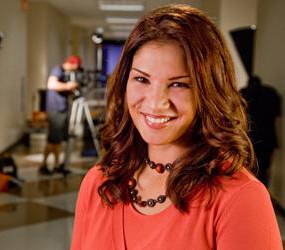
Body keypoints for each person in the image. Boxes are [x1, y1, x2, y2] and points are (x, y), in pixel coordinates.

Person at [71, 4, 282, 249]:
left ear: (208, 92)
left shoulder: (240, 198)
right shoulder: (98, 183)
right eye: (142, 79)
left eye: (179, 84)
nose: (155, 102)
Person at [39, 55, 82, 175]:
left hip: (61, 109)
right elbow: (51, 85)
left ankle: (54, 164)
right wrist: (69, 86)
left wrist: (69, 90)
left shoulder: (63, 73)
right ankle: (48, 165)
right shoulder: (57, 70)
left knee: (55, 140)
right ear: (73, 64)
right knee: (53, 139)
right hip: (55, 109)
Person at [240, 75, 282, 187]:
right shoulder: (272, 93)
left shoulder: (243, 93)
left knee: (247, 171)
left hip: (249, 138)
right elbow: (277, 116)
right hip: (268, 139)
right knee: (265, 171)